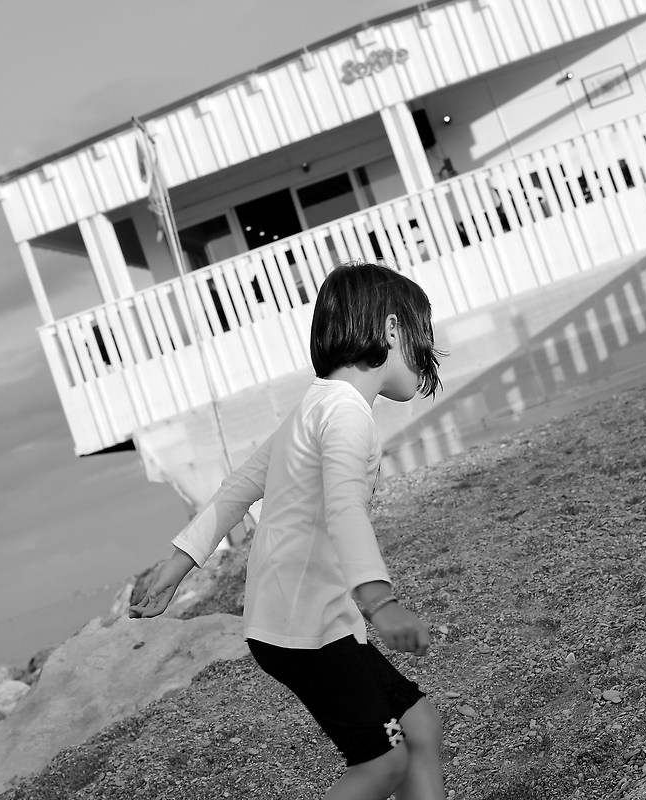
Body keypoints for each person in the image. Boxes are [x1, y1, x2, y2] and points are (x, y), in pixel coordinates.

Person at [129, 261, 447, 800]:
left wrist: (177, 567)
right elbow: (344, 510)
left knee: (420, 725)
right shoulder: (345, 414)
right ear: (393, 329)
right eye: (423, 336)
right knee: (381, 763)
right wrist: (381, 603)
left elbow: (238, 488)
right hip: (304, 628)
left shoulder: (315, 406)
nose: (428, 352)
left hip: (306, 621)